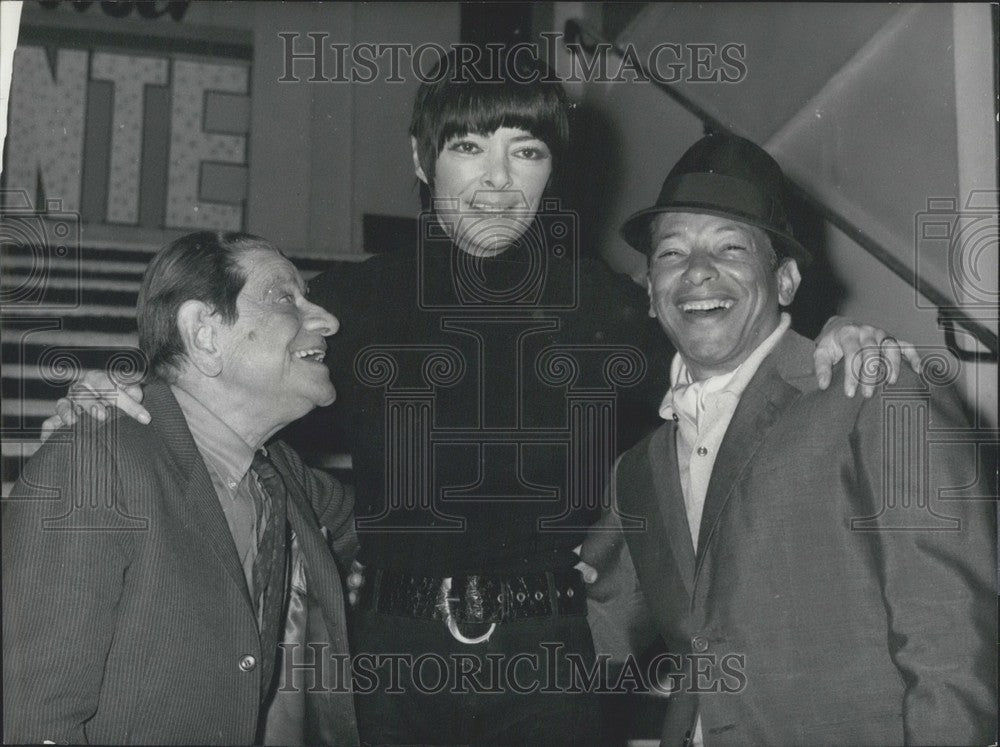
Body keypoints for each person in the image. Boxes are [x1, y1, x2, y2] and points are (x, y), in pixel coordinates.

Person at [43, 52, 919, 745]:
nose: (498, 181)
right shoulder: (349, 305)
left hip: (552, 659)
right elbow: (222, 402)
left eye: (526, 150)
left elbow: (738, 372)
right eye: (470, 146)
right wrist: (119, 394)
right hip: (389, 654)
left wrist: (831, 343)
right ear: (421, 157)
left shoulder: (616, 307)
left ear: (553, 169)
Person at [583, 133, 997, 745]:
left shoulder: (876, 389)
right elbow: (596, 636)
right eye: (671, 254)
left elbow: (953, 642)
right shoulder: (638, 470)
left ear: (785, 281)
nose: (698, 271)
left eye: (730, 248)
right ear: (648, 292)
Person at [4, 232, 360, 745]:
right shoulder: (96, 465)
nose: (327, 321)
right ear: (204, 335)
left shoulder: (283, 475)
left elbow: (392, 535)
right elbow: (31, 721)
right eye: (285, 297)